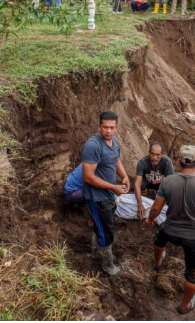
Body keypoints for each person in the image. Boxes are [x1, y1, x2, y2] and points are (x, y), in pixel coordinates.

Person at [145, 143, 195, 315]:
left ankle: (158, 263)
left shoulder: (167, 181)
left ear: (179, 162)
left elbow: (157, 209)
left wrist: (150, 219)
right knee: (191, 272)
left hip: (171, 229)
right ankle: (185, 305)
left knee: (159, 238)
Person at [82, 111, 130, 276]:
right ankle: (107, 264)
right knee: (106, 230)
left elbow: (116, 160)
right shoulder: (93, 146)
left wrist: (123, 176)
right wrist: (113, 187)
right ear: (99, 126)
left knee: (101, 226)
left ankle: (97, 253)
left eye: (111, 128)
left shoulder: (114, 141)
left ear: (116, 128)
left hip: (108, 193)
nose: (108, 131)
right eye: (105, 127)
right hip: (97, 197)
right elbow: (88, 177)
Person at [134, 142, 175, 219]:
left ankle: (160, 197)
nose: (154, 158)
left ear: (162, 155)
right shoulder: (142, 162)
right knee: (140, 184)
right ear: (149, 153)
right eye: (152, 154)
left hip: (161, 185)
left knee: (168, 187)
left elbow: (171, 183)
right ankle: (145, 196)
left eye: (158, 155)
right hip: (148, 182)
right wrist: (139, 204)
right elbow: (137, 183)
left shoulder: (167, 162)